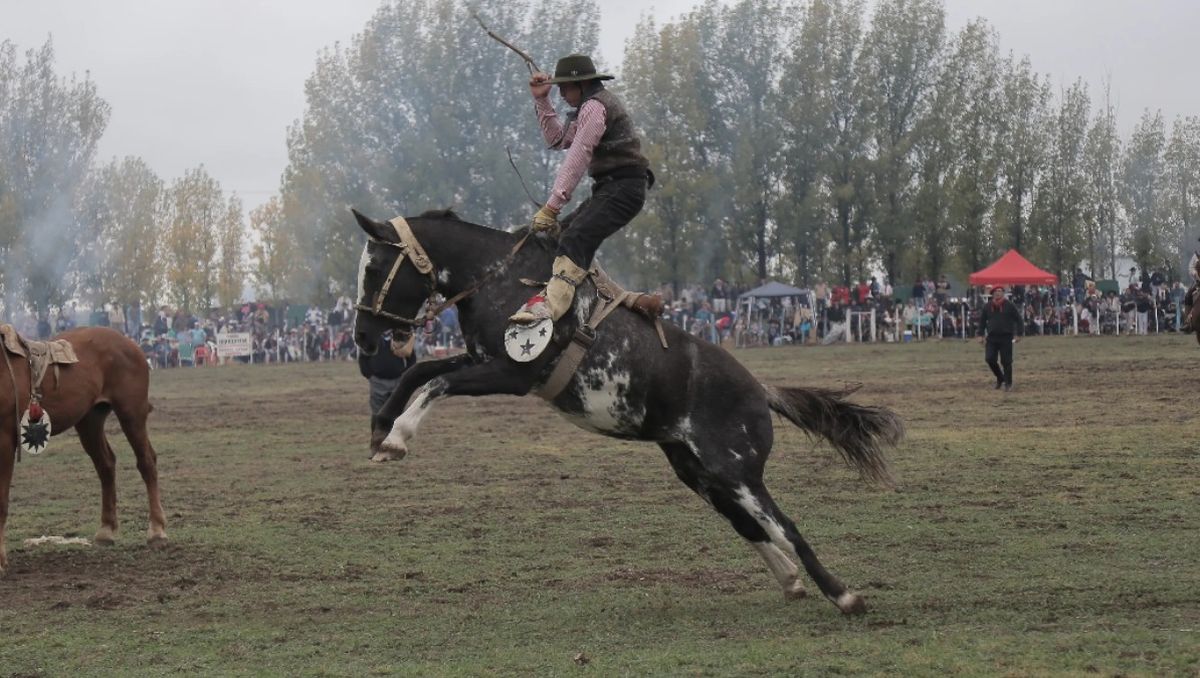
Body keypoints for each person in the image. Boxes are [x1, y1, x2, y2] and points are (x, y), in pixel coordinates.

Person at [509, 54, 652, 325]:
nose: (561, 93)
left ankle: (547, 310)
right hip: (613, 189)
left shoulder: (595, 108)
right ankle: (621, 300)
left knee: (574, 239)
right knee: (562, 236)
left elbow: (579, 153)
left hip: (623, 188)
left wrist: (552, 207)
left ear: (583, 84)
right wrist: (542, 99)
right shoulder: (590, 106)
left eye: (565, 88)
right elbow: (558, 139)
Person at [359, 330, 417, 436]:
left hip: (398, 381)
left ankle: (395, 439)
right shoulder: (373, 338)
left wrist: (406, 375)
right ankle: (377, 439)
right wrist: (369, 375)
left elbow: (412, 357)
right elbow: (363, 358)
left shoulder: (401, 336)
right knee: (377, 412)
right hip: (377, 382)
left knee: (397, 413)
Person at [978, 285, 1022, 391]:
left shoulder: (1010, 305)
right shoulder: (987, 306)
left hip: (1006, 337)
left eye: (1000, 291)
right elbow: (982, 322)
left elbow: (1019, 320)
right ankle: (1000, 377)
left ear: (1003, 293)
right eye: (996, 291)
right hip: (992, 337)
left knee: (1006, 361)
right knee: (989, 358)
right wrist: (980, 335)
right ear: (992, 294)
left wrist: (1018, 334)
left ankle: (1008, 383)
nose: (998, 293)